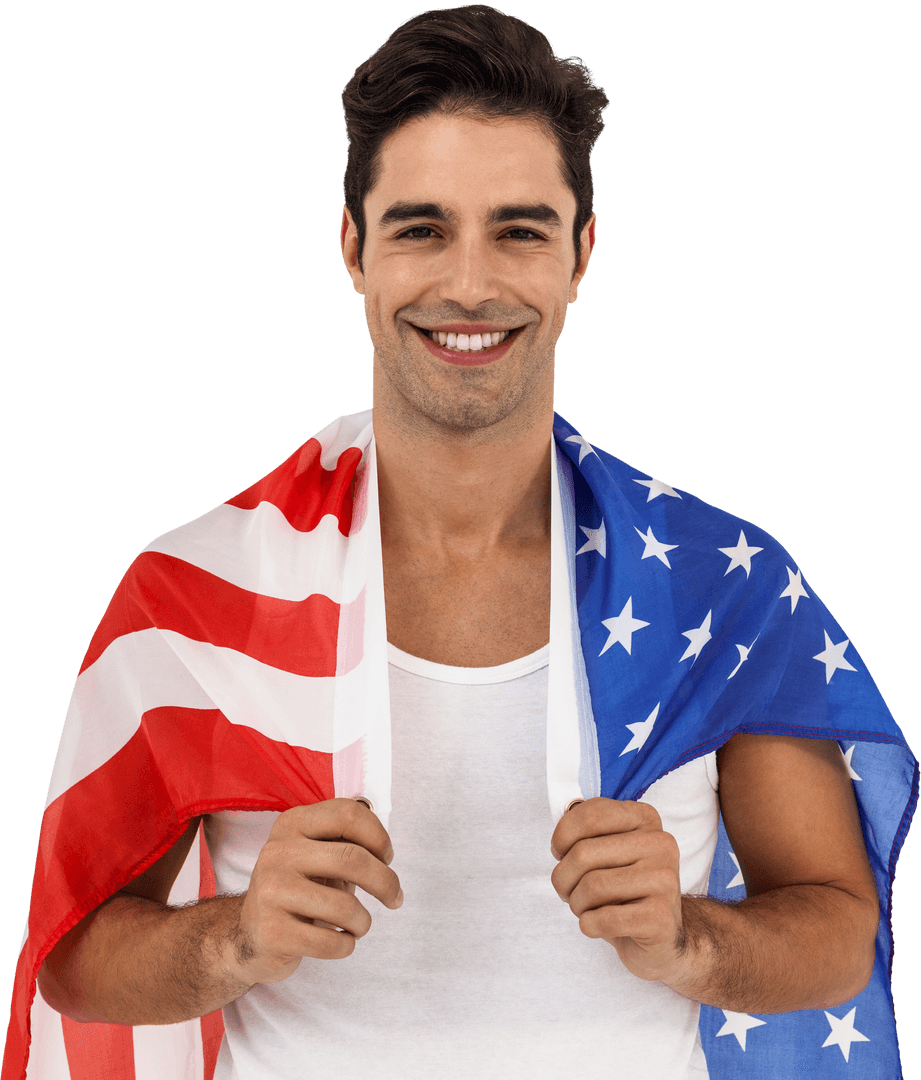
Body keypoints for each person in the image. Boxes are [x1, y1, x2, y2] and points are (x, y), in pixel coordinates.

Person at [4, 7, 915, 1080]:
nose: (470, 284)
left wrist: (691, 941)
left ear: (581, 256)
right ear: (354, 248)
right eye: (421, 228)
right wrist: (235, 936)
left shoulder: (720, 589)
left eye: (520, 230)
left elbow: (835, 927)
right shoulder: (202, 589)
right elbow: (78, 957)